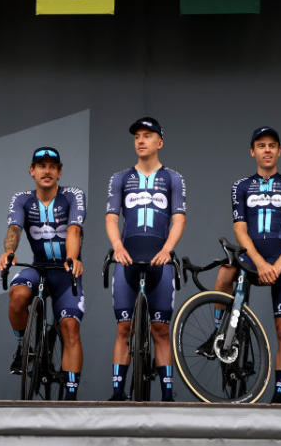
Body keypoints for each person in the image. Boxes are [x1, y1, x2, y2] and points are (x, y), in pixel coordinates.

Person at [202, 127, 281, 403]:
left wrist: (279, 264)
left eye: (273, 145)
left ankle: (279, 396)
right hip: (252, 259)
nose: (267, 150)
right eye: (261, 145)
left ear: (279, 151)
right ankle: (218, 332)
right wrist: (260, 263)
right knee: (225, 272)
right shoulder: (242, 186)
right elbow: (240, 230)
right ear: (253, 151)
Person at [106, 117, 186, 402]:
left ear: (159, 143)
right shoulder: (120, 178)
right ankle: (117, 392)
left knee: (160, 329)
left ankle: (167, 396)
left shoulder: (173, 178)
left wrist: (168, 249)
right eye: (137, 136)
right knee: (123, 328)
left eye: (147, 136)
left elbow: (178, 219)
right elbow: (111, 217)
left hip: (159, 260)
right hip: (128, 257)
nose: (140, 140)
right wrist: (116, 246)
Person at [0, 146, 86, 400]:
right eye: (41, 166)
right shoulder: (22, 199)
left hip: (65, 270)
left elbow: (74, 231)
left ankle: (70, 396)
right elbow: (14, 228)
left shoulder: (72, 195)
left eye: (51, 166)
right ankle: (22, 345)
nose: (46, 171)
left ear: (59, 172)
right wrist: (9, 251)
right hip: (37, 269)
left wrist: (72, 258)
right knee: (16, 296)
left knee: (69, 326)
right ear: (32, 171)